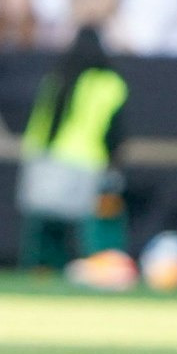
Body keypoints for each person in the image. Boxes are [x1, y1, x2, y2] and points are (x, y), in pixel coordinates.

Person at [16, 26, 129, 269]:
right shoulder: (110, 83)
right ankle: (98, 269)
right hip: (88, 160)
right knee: (93, 227)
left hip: (49, 159)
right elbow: (114, 130)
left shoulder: (56, 78)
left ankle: (42, 270)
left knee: (45, 226)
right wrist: (114, 161)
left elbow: (42, 121)